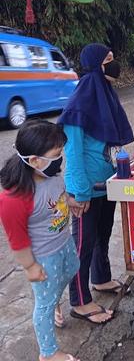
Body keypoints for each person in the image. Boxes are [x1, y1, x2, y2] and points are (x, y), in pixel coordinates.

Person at [58, 43, 134, 324]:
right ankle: (79, 301)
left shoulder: (105, 96)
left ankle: (100, 279)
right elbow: (73, 152)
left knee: (103, 235)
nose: (114, 65)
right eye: (109, 60)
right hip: (85, 188)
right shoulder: (80, 104)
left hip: (105, 184)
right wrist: (78, 192)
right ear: (95, 65)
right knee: (83, 244)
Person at [0, 120, 80, 361]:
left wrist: (70, 202)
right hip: (44, 257)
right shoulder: (15, 198)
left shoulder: (50, 173)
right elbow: (18, 240)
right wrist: (30, 266)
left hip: (64, 242)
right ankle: (48, 353)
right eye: (56, 155)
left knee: (72, 270)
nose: (60, 159)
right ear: (34, 160)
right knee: (43, 305)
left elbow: (59, 194)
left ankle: (54, 299)